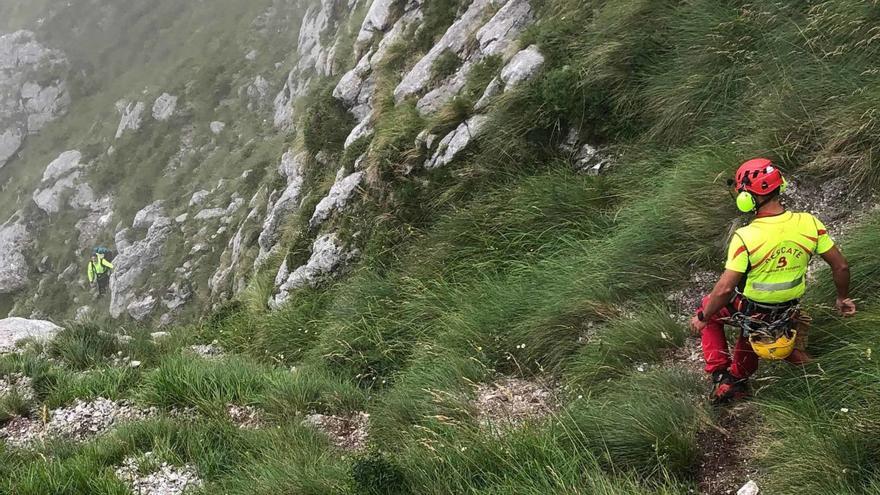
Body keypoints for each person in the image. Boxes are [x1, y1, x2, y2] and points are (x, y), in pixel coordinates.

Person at [689, 158, 856, 404]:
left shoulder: (745, 237)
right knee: (760, 332)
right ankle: (737, 377)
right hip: (788, 310)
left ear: (748, 198)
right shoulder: (809, 223)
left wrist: (702, 318)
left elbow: (725, 289)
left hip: (753, 311)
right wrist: (842, 297)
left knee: (710, 309)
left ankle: (721, 374)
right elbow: (840, 265)